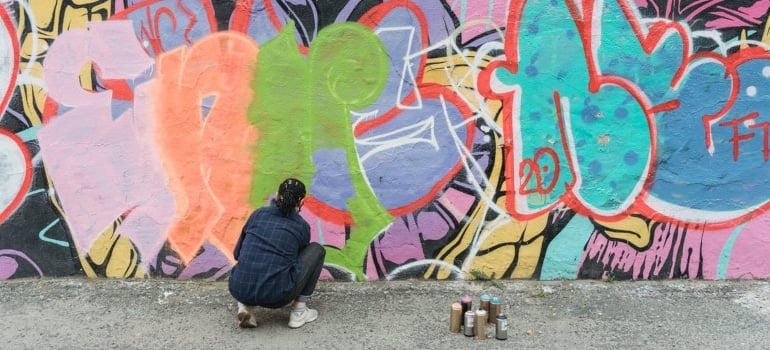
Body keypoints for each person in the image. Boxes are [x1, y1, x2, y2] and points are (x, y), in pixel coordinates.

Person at [228, 178, 326, 329]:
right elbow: (297, 263)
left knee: (252, 262)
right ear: (301, 202)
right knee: (317, 250)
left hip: (238, 288)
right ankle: (299, 312)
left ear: (277, 195)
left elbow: (237, 254)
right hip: (278, 297)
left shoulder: (258, 214)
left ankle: (246, 306)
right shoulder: (301, 226)